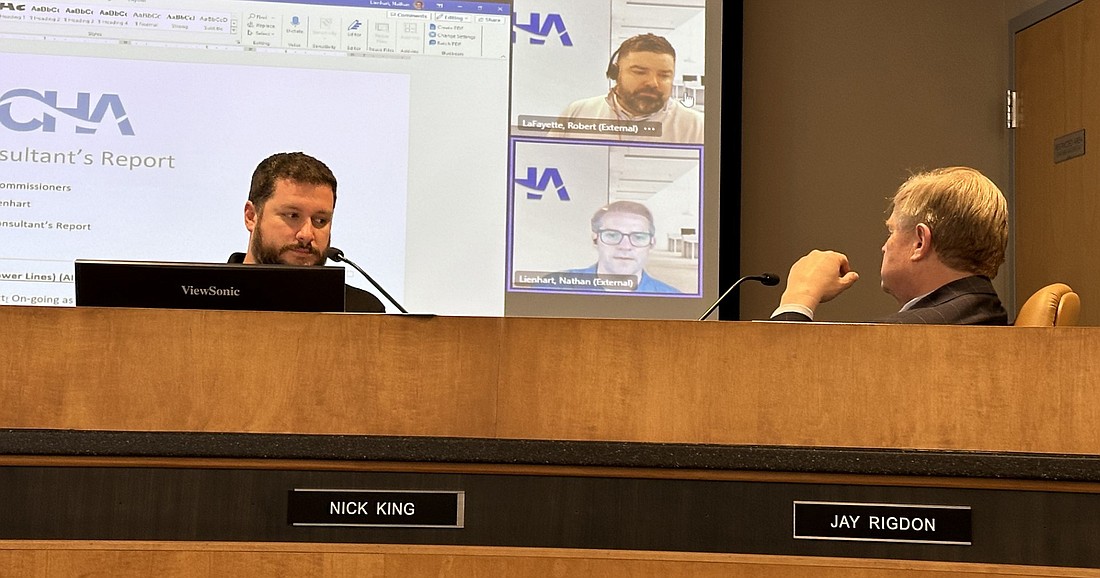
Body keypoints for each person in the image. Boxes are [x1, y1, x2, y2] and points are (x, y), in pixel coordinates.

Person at [771, 166, 1008, 325]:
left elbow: (774, 380)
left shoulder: (900, 335)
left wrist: (799, 296)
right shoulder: (986, 313)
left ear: (919, 242)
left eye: (891, 231)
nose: (884, 247)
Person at [228, 152, 385, 313]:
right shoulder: (205, 298)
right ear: (251, 216)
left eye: (320, 220)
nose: (307, 234)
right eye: (292, 216)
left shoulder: (361, 310)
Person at [555, 33, 703, 144]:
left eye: (664, 75)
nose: (653, 83)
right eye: (639, 72)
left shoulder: (696, 126)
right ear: (615, 73)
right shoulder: (578, 112)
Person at [561, 200, 681, 294]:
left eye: (638, 237)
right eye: (612, 235)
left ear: (652, 244)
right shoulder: (555, 286)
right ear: (595, 240)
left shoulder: (676, 301)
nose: (625, 246)